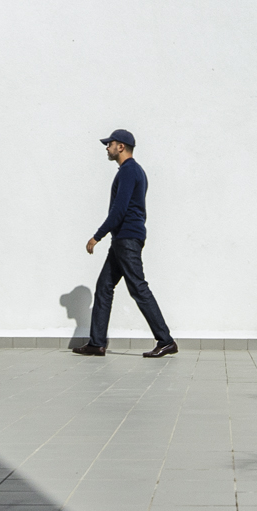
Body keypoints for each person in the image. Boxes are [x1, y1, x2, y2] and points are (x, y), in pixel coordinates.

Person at [71, 128, 177, 359]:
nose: (106, 148)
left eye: (109, 144)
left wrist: (96, 236)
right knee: (104, 287)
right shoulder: (132, 171)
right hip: (123, 238)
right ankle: (97, 343)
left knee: (138, 288)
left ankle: (166, 340)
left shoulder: (129, 171)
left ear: (121, 146)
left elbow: (119, 210)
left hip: (127, 238)